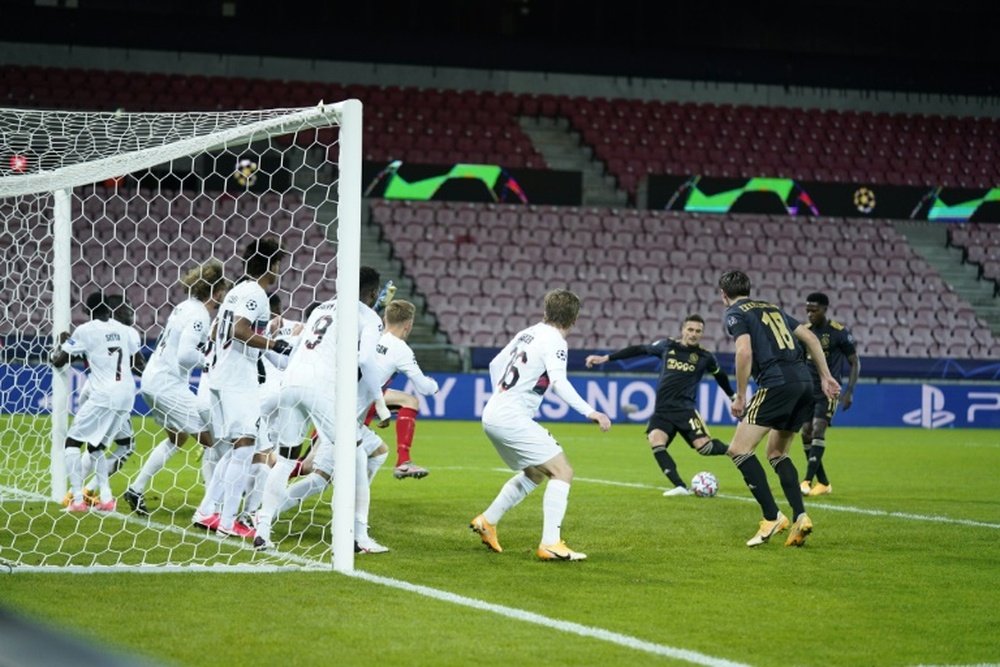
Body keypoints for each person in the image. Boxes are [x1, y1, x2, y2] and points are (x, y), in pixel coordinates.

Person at [252, 266, 391, 553]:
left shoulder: (320, 309)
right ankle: (358, 536)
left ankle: (262, 530)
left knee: (287, 460)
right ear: (374, 293)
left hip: (291, 382)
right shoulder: (369, 317)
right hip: (320, 387)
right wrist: (378, 401)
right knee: (356, 455)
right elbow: (366, 360)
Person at [470, 289, 611, 561]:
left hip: (494, 413)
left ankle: (487, 521)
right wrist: (591, 411)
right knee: (562, 471)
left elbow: (493, 364)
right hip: (510, 416)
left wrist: (500, 396)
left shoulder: (528, 332)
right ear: (574, 319)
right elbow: (559, 382)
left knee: (534, 473)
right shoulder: (556, 340)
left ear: (545, 311)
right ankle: (550, 544)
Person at [718, 271, 839, 548]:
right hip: (803, 383)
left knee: (738, 450)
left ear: (723, 294)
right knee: (776, 453)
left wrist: (740, 395)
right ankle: (800, 517)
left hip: (776, 384)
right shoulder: (772, 307)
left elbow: (744, 352)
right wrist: (824, 376)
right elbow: (809, 336)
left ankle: (772, 517)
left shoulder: (735, 312)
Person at [192, 237, 291, 539]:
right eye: (279, 264)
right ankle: (227, 522)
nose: (280, 270)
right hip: (238, 377)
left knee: (237, 449)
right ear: (272, 265)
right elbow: (239, 331)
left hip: (220, 375)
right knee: (246, 447)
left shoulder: (236, 290)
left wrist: (263, 332)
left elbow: (215, 330)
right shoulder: (256, 292)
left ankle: (208, 511)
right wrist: (274, 343)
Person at [123, 260, 231, 516]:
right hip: (168, 384)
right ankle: (211, 507)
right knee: (211, 442)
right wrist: (210, 361)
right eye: (223, 291)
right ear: (216, 291)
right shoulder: (200, 315)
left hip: (153, 379)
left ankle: (135, 489)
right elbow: (185, 356)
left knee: (177, 438)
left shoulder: (184, 307)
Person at [585, 314, 735, 496]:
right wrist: (606, 358)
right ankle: (680, 486)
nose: (693, 334)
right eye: (690, 329)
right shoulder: (667, 346)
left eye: (698, 331)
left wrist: (732, 395)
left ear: (702, 334)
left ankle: (734, 449)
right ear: (683, 330)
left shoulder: (705, 357)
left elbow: (720, 376)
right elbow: (639, 349)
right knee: (656, 440)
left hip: (685, 410)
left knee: (704, 448)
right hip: (662, 411)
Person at [51, 291, 144, 513]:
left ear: (87, 311)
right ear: (109, 309)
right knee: (97, 446)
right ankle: (106, 498)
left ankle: (76, 498)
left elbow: (58, 362)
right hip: (126, 394)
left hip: (100, 393)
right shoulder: (125, 330)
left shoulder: (85, 330)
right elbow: (136, 362)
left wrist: (61, 344)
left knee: (73, 442)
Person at [799, 292, 860, 497]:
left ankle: (806, 480)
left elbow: (854, 362)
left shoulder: (838, 332)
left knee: (818, 428)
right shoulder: (804, 332)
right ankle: (823, 482)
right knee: (806, 432)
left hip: (829, 391)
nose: (810, 314)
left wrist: (849, 391)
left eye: (814, 310)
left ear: (825, 309)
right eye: (807, 310)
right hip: (807, 391)